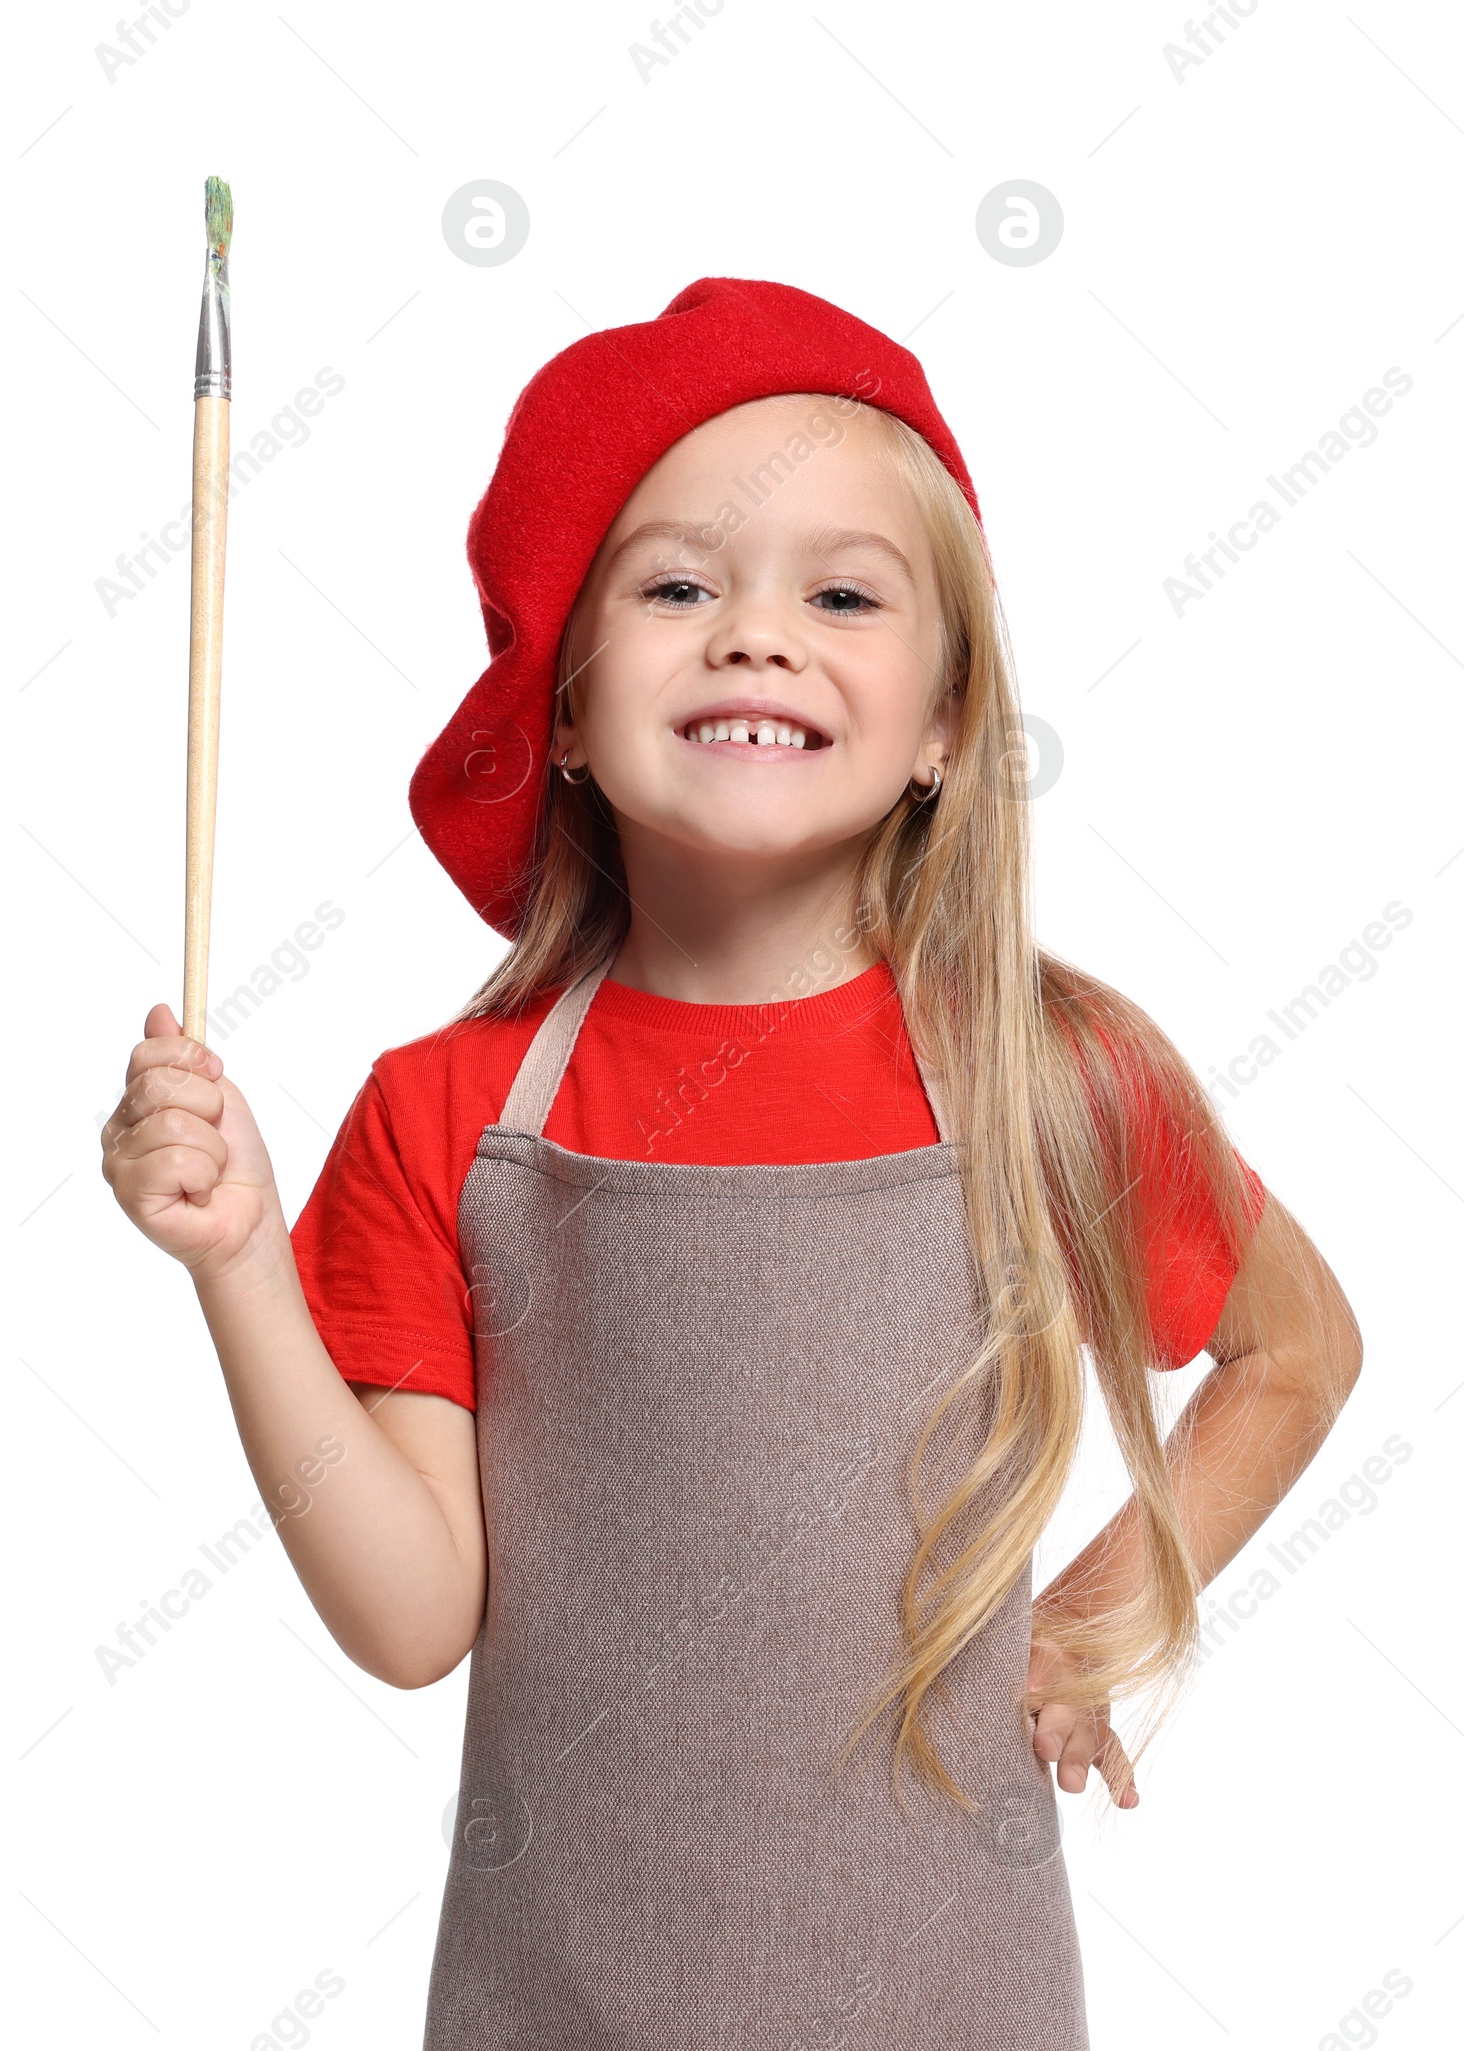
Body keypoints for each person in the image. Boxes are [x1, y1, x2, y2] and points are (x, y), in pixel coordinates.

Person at [102, 277, 1362, 2048]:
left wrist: (1097, 1614)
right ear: (558, 708)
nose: (755, 636)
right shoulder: (445, 1117)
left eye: (842, 594)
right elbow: (409, 1618)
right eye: (679, 586)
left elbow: (1298, 1351)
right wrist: (238, 1261)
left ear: (942, 724)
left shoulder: (1052, 1079)